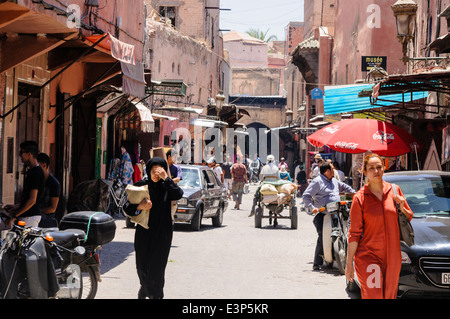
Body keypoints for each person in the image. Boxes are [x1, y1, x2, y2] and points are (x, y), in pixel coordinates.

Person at [345, 153, 413, 299]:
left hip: (392, 257)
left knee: (389, 296)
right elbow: (354, 234)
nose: (376, 171)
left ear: (383, 169)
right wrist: (349, 263)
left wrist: (402, 206)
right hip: (368, 256)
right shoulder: (360, 198)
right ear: (364, 172)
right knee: (373, 295)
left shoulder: (394, 190)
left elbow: (408, 217)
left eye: (379, 167)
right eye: (371, 168)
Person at [123, 157, 183, 299]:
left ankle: (156, 295)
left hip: (163, 233)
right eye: (153, 170)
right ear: (148, 171)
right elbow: (126, 208)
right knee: (142, 266)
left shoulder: (167, 187)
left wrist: (166, 178)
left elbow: (178, 194)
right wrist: (139, 206)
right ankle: (144, 288)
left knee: (157, 268)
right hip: (144, 231)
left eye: (159, 170)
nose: (156, 174)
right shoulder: (140, 186)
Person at [302, 162, 355, 270]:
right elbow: (306, 196)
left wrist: (356, 194)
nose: (334, 170)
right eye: (332, 169)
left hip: (337, 212)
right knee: (322, 236)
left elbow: (347, 188)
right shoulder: (317, 182)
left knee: (347, 230)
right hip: (323, 214)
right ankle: (317, 262)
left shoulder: (335, 181)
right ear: (327, 171)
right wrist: (312, 208)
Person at [5, 141, 45, 228]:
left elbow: (32, 200)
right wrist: (16, 206)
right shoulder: (33, 171)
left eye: (21, 152)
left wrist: (15, 216)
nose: (20, 156)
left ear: (29, 154)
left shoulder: (36, 173)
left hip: (29, 217)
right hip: (27, 216)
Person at [36, 153, 60, 228]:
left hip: (46, 219)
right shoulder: (36, 180)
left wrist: (35, 212)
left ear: (44, 165)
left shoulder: (54, 183)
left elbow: (52, 209)